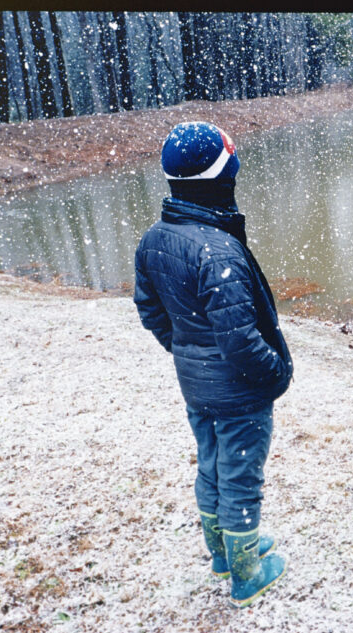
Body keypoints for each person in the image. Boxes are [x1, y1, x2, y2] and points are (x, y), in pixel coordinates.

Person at [133, 122, 293, 608]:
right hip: (239, 392)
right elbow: (241, 341)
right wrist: (276, 373)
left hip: (196, 386)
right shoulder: (217, 249)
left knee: (211, 466)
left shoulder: (156, 239)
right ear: (220, 180)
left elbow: (150, 310)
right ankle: (246, 575)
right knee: (241, 475)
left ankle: (223, 552)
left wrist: (186, 349)